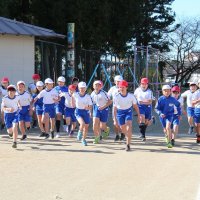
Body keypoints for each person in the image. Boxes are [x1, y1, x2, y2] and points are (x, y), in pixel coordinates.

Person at [113, 80, 140, 151]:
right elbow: (114, 108)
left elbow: (135, 106)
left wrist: (139, 115)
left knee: (129, 127)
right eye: (120, 87)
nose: (122, 89)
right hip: (120, 112)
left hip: (128, 112)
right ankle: (123, 133)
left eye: (123, 87)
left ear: (126, 88)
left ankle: (128, 145)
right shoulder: (116, 96)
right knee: (123, 128)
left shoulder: (131, 96)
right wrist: (115, 119)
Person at [73, 81, 93, 146]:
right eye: (81, 88)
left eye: (83, 88)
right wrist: (72, 104)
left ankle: (83, 140)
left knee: (86, 127)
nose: (82, 89)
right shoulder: (75, 94)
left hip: (85, 112)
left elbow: (90, 106)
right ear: (78, 88)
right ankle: (79, 132)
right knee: (82, 123)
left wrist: (89, 109)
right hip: (78, 111)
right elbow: (72, 97)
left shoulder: (88, 96)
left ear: (85, 88)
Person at [108, 75, 125, 141]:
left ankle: (122, 134)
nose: (118, 83)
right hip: (115, 108)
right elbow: (108, 96)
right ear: (115, 82)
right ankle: (117, 135)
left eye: (120, 81)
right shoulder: (112, 89)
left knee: (121, 123)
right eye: (117, 81)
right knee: (115, 122)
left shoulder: (124, 88)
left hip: (123, 108)